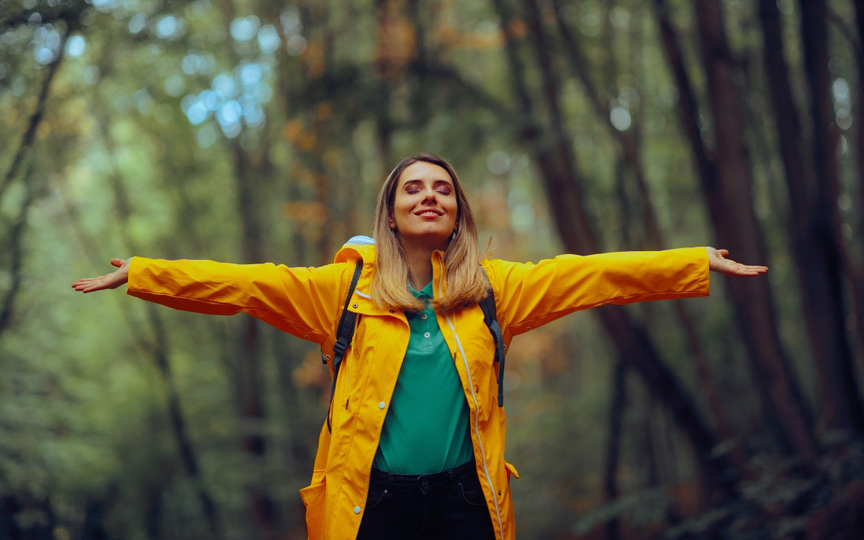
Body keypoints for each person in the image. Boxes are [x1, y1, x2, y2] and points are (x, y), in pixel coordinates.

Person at [72, 152, 767, 540]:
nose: (429, 196)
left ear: (458, 211)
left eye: (443, 189)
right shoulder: (342, 293)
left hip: (467, 501)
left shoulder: (496, 290)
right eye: (413, 188)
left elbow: (594, 275)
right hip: (373, 504)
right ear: (392, 210)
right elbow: (247, 285)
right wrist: (145, 273)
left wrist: (693, 261)